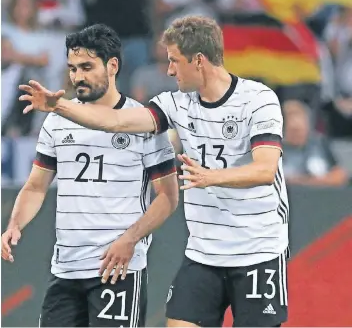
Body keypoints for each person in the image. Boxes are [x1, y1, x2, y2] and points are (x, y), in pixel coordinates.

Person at [17, 16, 289, 327]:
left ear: (198, 60)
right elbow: (116, 122)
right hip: (204, 254)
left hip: (258, 249)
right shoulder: (174, 104)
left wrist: (211, 177)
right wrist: (59, 106)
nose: (169, 70)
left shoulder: (258, 100)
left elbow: (266, 170)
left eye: (174, 61)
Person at [2, 23, 179, 327]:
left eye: (86, 66)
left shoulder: (143, 122)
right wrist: (14, 224)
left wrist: (130, 240)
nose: (77, 77)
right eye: (72, 68)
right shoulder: (58, 121)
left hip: (117, 269)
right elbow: (35, 186)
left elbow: (168, 197)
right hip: (66, 270)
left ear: (112, 66)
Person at [282, 99, 348, 186]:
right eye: (293, 130)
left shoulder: (320, 143)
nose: (297, 134)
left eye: (300, 129)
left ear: (308, 124)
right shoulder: (275, 149)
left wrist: (307, 182)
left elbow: (340, 175)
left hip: (321, 196)